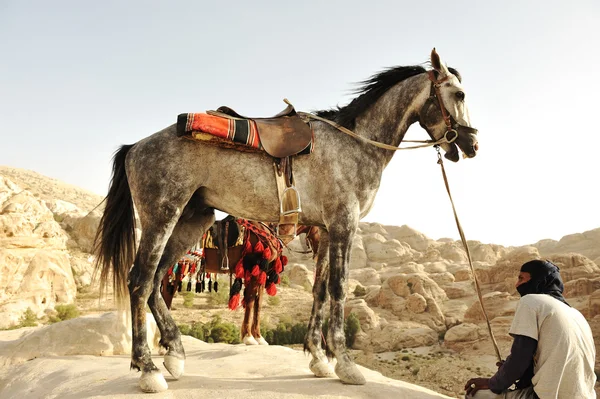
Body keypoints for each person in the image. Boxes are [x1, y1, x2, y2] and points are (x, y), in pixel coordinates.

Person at [464, 259, 596, 399]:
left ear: (539, 280)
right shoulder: (576, 314)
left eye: (521, 278)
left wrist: (493, 383)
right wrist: (511, 370)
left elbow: (521, 356)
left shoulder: (531, 301)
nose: (517, 284)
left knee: (475, 394)